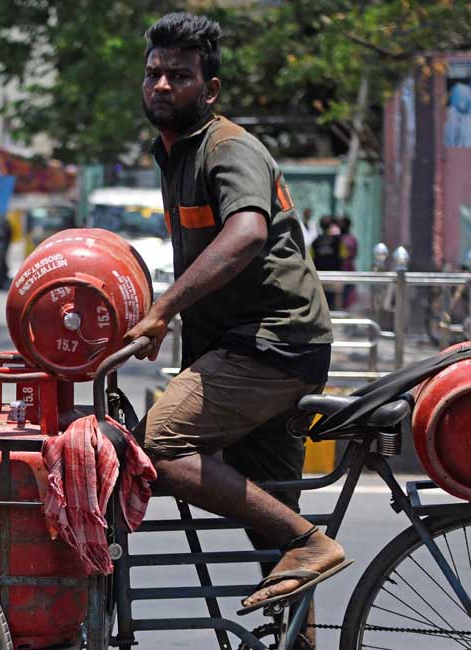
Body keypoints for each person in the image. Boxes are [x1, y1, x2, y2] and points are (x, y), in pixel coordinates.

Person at [123, 12, 348, 617]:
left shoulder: (229, 148)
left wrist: (163, 309)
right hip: (254, 346)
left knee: (157, 447)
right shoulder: (172, 152)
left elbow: (246, 233)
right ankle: (296, 564)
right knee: (266, 532)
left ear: (210, 89)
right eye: (153, 74)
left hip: (271, 346)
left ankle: (310, 541)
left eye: (179, 75)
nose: (162, 86)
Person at [311, 215, 342, 309]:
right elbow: (344, 256)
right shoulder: (337, 240)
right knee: (334, 306)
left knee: (321, 305)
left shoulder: (315, 241)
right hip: (334, 278)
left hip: (320, 278)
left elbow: (311, 258)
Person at [338, 215, 358, 308]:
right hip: (338, 270)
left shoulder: (352, 239)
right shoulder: (336, 238)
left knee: (347, 296)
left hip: (348, 270)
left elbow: (354, 254)